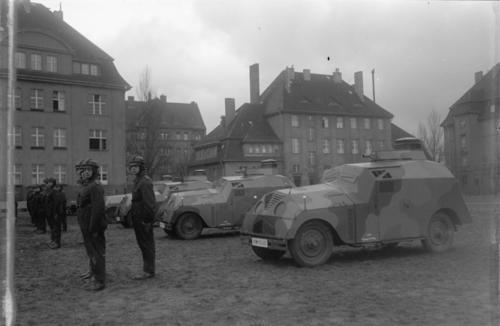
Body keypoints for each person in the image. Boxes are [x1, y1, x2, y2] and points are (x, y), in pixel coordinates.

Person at [76, 158, 107, 291]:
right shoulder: (87, 185)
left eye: (89, 170)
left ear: (94, 171)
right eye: (84, 170)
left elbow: (98, 209)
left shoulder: (95, 186)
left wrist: (94, 227)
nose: (85, 172)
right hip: (86, 223)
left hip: (93, 225)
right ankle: (92, 272)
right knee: (91, 251)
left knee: (97, 252)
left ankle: (99, 280)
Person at [128, 155, 156, 280]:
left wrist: (147, 221)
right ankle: (148, 270)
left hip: (143, 219)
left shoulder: (145, 182)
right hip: (138, 218)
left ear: (141, 167)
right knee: (143, 244)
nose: (133, 169)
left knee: (147, 245)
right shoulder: (138, 181)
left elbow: (150, 204)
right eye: (132, 167)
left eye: (136, 166)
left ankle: (149, 271)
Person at [44, 178, 60, 249]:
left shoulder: (54, 192)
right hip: (49, 213)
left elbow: (56, 204)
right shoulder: (48, 191)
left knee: (56, 228)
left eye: (48, 183)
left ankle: (57, 243)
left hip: (54, 213)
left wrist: (56, 213)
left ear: (52, 183)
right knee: (52, 228)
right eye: (46, 183)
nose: (46, 184)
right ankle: (53, 241)